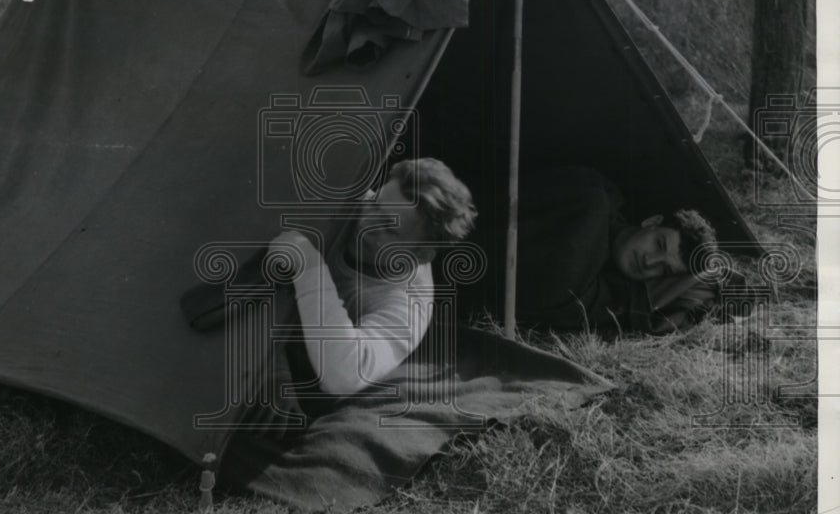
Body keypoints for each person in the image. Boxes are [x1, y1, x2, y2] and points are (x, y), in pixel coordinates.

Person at [269, 157, 477, 396]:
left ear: (420, 254)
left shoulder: (406, 308)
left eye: (388, 226)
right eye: (375, 203)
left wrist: (309, 268)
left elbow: (345, 376)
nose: (365, 222)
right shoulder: (359, 200)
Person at [516, 166, 718, 337]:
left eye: (663, 269)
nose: (650, 262)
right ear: (651, 222)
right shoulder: (592, 200)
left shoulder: (613, 296)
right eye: (659, 244)